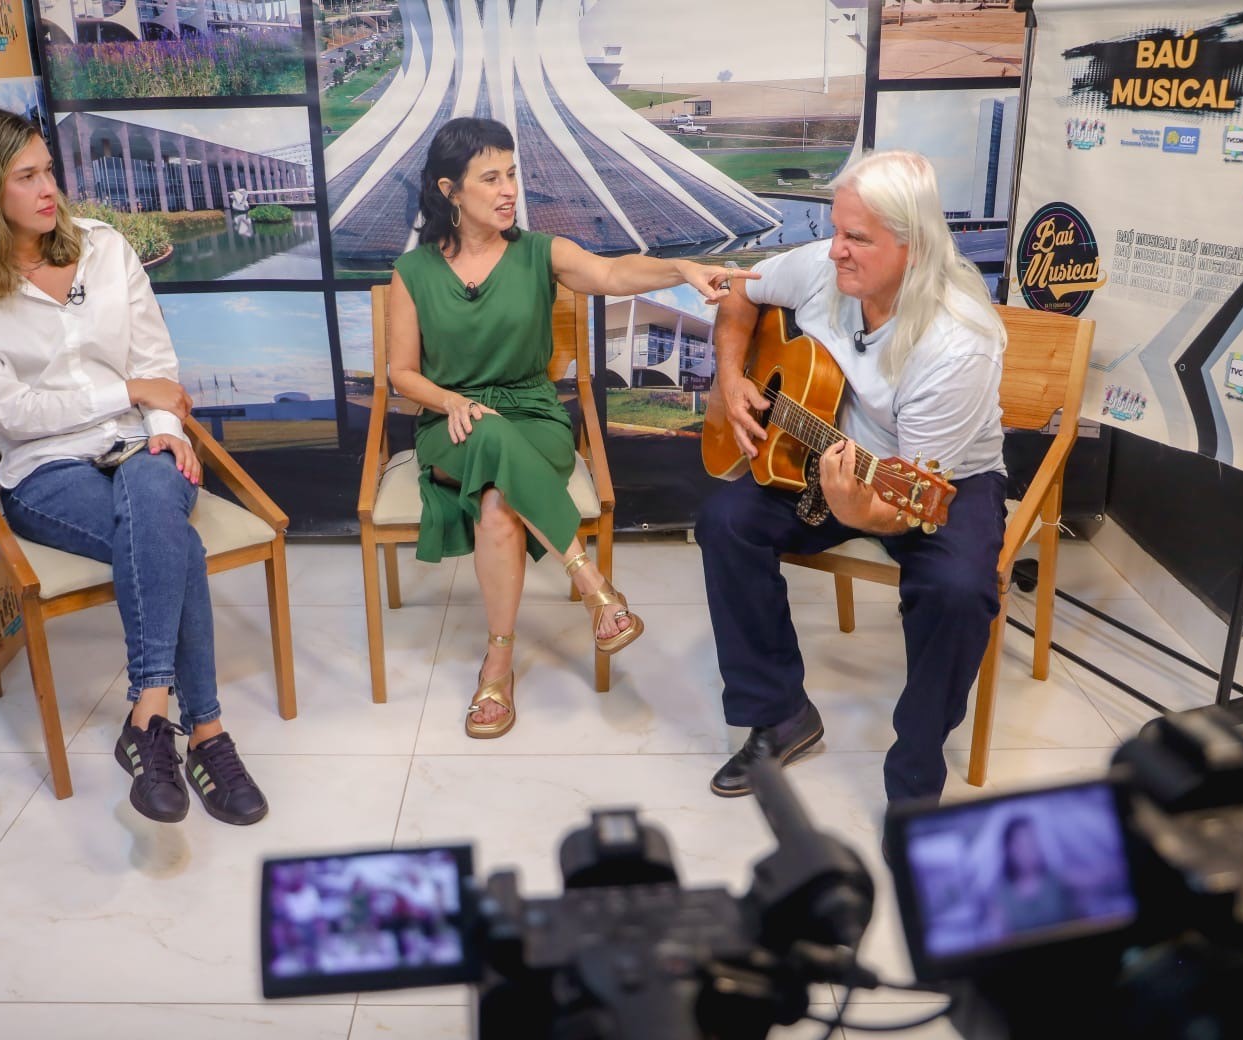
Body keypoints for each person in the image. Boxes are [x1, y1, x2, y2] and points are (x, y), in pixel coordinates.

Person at [0, 104, 268, 826]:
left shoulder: (107, 249)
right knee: (174, 543)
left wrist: (165, 424)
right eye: (27, 177)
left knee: (151, 497)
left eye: (49, 168)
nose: (51, 188)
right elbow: (16, 415)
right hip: (46, 470)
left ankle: (151, 717)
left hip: (142, 442)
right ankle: (204, 731)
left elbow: (157, 366)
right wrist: (128, 393)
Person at [388, 117, 753, 739]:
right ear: (450, 191)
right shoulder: (413, 272)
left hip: (533, 416)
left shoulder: (540, 253)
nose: (509, 190)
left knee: (499, 503)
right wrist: (448, 399)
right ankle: (590, 582)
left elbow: (613, 275)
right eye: (490, 178)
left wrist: (683, 270)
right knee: (486, 433)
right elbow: (400, 373)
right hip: (451, 425)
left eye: (512, 175)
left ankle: (496, 670)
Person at [697, 150, 1006, 805]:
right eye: (836, 230)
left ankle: (917, 772)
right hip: (824, 450)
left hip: (932, 480)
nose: (834, 251)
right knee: (724, 523)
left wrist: (857, 509)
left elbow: (909, 503)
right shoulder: (823, 266)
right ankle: (779, 713)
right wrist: (731, 381)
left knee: (956, 591)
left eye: (856, 238)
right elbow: (737, 295)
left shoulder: (958, 342)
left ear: (913, 247)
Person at [989, 816, 1074, 935]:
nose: (1030, 851)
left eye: (1033, 842)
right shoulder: (1001, 897)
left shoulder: (1058, 879)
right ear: (1009, 850)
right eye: (1022, 845)